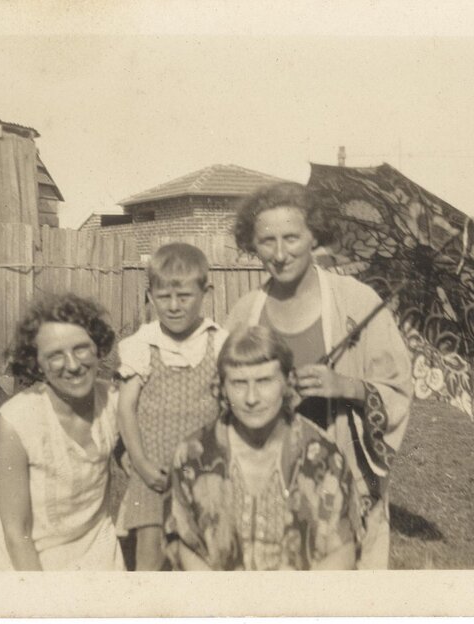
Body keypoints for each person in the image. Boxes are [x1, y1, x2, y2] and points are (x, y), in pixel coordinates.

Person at [225, 181, 413, 569]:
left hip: (342, 480)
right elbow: (221, 394)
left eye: (291, 237)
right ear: (252, 244)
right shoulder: (245, 312)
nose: (279, 254)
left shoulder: (359, 304)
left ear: (314, 236)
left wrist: (346, 386)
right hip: (266, 482)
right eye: (266, 241)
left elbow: (398, 389)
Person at [165, 325, 362, 570]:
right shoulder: (194, 455)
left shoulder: (324, 457)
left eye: (264, 381)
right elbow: (188, 545)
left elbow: (341, 552)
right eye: (238, 383)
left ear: (287, 382)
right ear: (222, 387)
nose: (251, 398)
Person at [0, 294, 124, 571]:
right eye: (55, 355)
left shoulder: (113, 401)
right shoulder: (17, 421)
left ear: (98, 347)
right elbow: (17, 535)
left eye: (81, 349)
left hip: (96, 556)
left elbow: (143, 467)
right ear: (37, 363)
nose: (73, 365)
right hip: (24, 564)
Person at [115, 242, 227, 570]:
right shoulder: (142, 344)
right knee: (150, 550)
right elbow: (125, 410)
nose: (174, 306)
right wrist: (140, 463)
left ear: (205, 293)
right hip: (154, 469)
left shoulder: (218, 342)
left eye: (184, 297)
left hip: (203, 469)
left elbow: (228, 407)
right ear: (150, 297)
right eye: (164, 298)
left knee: (202, 550)